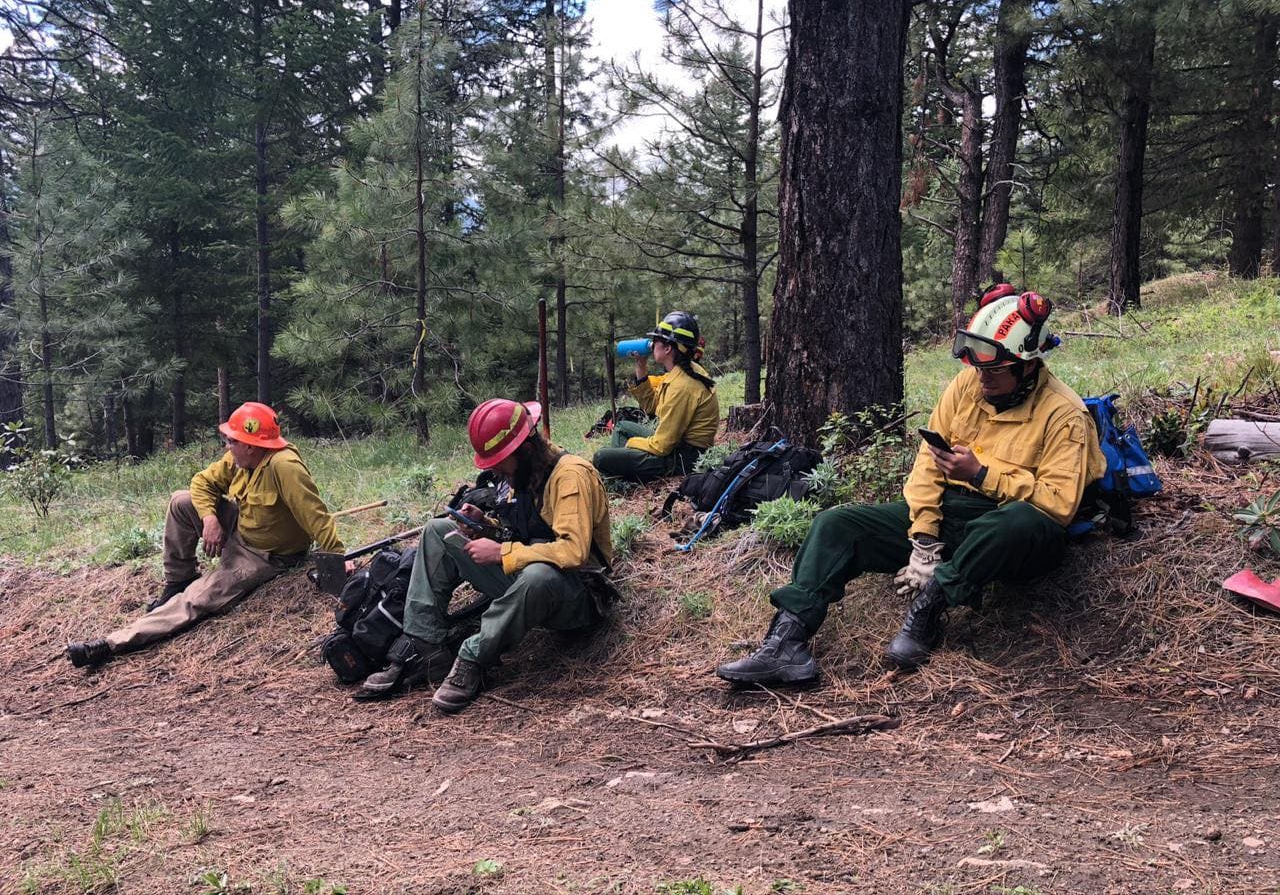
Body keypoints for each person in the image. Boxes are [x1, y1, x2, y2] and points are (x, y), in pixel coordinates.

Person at [716, 287, 1107, 683]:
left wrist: (981, 474)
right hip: (951, 516)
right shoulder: (967, 387)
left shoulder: (1065, 414)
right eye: (977, 368)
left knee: (1017, 521)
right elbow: (928, 463)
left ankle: (929, 609)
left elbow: (1058, 504)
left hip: (1013, 532)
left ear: (1026, 365)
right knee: (836, 525)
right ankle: (786, 642)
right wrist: (923, 536)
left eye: (993, 371)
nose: (981, 378)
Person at [359, 398, 615, 713]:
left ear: (525, 449)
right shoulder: (523, 474)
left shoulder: (570, 476)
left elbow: (573, 552)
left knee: (538, 576)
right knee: (438, 531)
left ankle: (473, 660)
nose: (494, 469)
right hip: (528, 580)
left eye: (499, 461)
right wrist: (485, 526)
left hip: (576, 595)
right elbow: (525, 532)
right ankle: (427, 648)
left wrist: (502, 552)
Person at [67, 401, 346, 668]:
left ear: (251, 446)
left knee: (196, 599)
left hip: (262, 556)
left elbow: (315, 515)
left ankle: (111, 643)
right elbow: (201, 482)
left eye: (233, 441)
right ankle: (179, 580)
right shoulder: (241, 458)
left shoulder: (284, 466)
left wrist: (338, 557)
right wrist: (210, 518)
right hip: (241, 525)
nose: (228, 446)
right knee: (181, 501)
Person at [592, 309, 719, 483]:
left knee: (601, 457)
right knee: (621, 427)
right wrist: (641, 369)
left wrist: (632, 444)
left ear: (668, 348)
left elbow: (662, 446)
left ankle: (622, 472)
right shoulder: (681, 371)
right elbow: (652, 407)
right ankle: (623, 470)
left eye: (656, 340)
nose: (651, 344)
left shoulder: (683, 386)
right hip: (676, 444)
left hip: (684, 458)